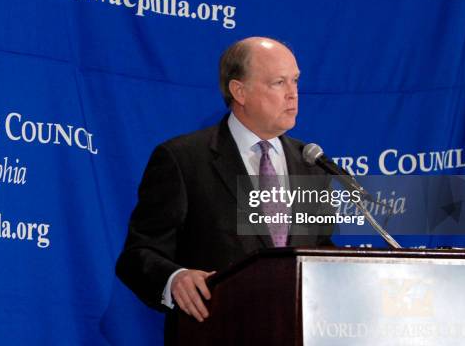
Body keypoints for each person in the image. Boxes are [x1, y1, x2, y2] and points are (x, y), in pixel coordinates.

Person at [116, 36, 334, 343]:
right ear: (239, 91)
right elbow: (139, 254)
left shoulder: (311, 164)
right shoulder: (183, 159)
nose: (293, 94)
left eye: (295, 81)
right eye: (278, 83)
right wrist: (174, 278)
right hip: (215, 332)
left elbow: (321, 250)